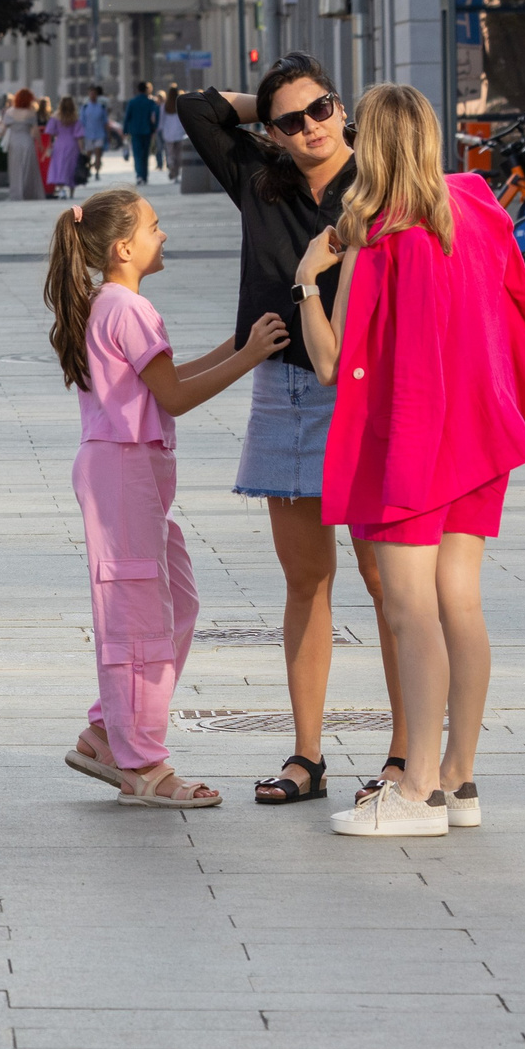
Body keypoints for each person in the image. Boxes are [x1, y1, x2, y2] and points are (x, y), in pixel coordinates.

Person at [299, 85, 525, 836]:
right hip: (480, 436)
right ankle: (457, 778)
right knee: (461, 606)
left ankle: (414, 791)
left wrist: (307, 278)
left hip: (411, 444)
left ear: (370, 145)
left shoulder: (376, 238)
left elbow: (330, 360)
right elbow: (523, 317)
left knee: (412, 611)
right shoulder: (477, 206)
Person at [176, 59, 395, 807]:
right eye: (291, 120)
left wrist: (333, 122)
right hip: (283, 391)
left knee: (383, 579)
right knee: (307, 581)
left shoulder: (377, 180)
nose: (310, 128)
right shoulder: (259, 176)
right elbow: (194, 107)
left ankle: (403, 757)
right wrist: (260, 114)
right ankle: (307, 755)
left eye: (321, 109)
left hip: (362, 393)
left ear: (343, 107)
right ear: (270, 130)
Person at [45, 188, 285, 810]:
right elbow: (175, 398)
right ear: (125, 247)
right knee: (138, 621)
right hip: (122, 475)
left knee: (175, 605)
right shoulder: (127, 308)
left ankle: (107, 733)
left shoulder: (114, 303)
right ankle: (143, 766)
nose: (165, 235)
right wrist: (252, 354)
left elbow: (166, 383)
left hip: (129, 476)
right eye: (155, 226)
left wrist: (240, 345)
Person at [0, 88, 43, 201]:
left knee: (15, 168)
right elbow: (35, 130)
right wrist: (40, 144)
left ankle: (16, 193)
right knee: (28, 168)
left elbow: (3, 128)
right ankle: (28, 192)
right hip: (27, 141)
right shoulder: (31, 113)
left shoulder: (9, 112)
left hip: (14, 142)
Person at [122, 83, 161, 185]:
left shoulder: (132, 102)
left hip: (135, 132)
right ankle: (144, 176)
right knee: (145, 155)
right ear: (146, 90)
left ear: (138, 90)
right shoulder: (150, 102)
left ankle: (139, 175)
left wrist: (125, 131)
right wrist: (154, 128)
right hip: (147, 131)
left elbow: (127, 117)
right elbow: (155, 116)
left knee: (137, 154)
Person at [45, 98, 83, 197]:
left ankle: (61, 190)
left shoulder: (56, 117)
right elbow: (79, 135)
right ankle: (71, 192)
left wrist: (49, 145)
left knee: (60, 166)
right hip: (72, 144)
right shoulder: (75, 117)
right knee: (71, 167)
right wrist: (82, 149)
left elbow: (50, 132)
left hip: (59, 144)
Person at [78, 86, 112, 182]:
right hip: (88, 135)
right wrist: (80, 137)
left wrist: (108, 135)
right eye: (91, 93)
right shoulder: (85, 108)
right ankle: (88, 169)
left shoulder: (101, 107)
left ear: (97, 95)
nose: (92, 95)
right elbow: (82, 123)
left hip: (99, 134)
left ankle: (97, 171)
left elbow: (106, 122)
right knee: (88, 155)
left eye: (94, 94)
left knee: (98, 154)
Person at [157, 88, 186, 180]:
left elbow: (161, 120)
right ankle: (177, 173)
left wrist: (160, 130)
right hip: (179, 133)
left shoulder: (164, 106)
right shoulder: (180, 105)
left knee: (170, 153)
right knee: (178, 154)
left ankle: (171, 168)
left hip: (168, 133)